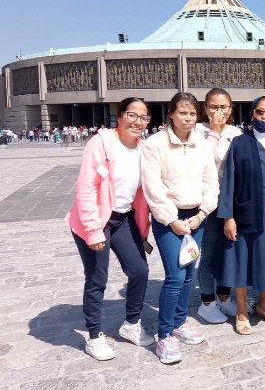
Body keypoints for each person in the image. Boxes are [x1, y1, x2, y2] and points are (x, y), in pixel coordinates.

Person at [66, 97, 153, 361]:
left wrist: (144, 226)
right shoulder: (101, 143)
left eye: (143, 117)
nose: (138, 121)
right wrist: (93, 230)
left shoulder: (143, 148)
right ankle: (94, 336)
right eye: (132, 115)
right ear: (120, 116)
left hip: (124, 219)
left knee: (139, 270)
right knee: (97, 278)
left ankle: (131, 323)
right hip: (96, 220)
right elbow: (86, 188)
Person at [141, 92, 219, 364]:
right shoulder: (155, 144)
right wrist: (171, 220)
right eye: (183, 113)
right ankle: (164, 335)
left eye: (193, 113)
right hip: (168, 219)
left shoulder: (202, 144)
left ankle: (178, 322)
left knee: (189, 274)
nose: (188, 118)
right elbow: (153, 187)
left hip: (196, 216)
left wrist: (202, 213)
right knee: (175, 275)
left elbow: (211, 181)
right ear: (171, 114)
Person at [216, 96, 265, 335]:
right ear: (252, 114)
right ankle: (241, 310)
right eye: (260, 112)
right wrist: (228, 217)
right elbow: (229, 181)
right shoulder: (240, 143)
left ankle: (263, 305)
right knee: (242, 261)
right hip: (245, 210)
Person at [195, 88, 243, 324]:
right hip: (206, 202)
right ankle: (207, 302)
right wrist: (214, 131)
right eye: (213, 107)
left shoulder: (236, 133)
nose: (219, 111)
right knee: (209, 253)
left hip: (230, 201)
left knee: (228, 252)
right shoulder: (198, 131)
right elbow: (201, 161)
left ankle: (224, 297)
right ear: (205, 108)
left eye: (223, 107)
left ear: (230, 109)